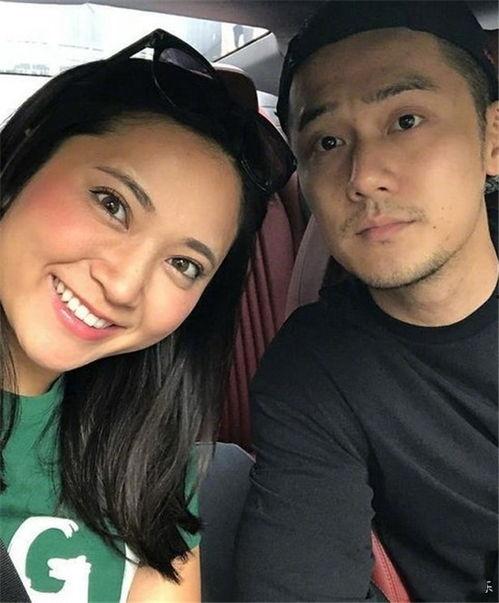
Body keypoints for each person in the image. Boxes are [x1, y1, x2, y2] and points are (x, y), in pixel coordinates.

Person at [0, 29, 295, 602]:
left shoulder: (148, 455)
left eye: (184, 264)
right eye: (112, 204)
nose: (123, 285)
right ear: (24, 160)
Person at [235, 2, 498, 601]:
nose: (361, 176)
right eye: (327, 141)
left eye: (405, 120)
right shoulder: (313, 370)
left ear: (492, 139)